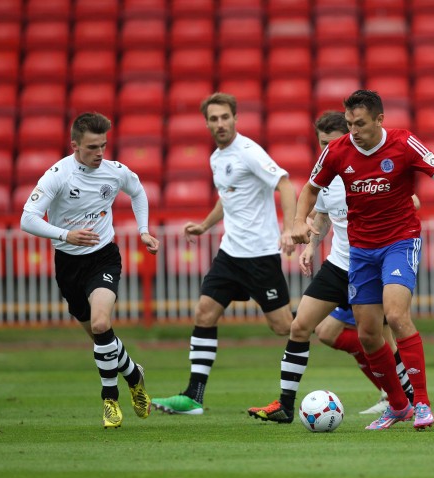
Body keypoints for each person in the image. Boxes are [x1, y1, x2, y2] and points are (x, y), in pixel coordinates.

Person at [292, 90, 434, 431]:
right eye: (349, 124)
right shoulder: (337, 151)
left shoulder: (405, 144)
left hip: (399, 241)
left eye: (360, 123)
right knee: (367, 335)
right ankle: (397, 406)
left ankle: (421, 403)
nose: (354, 130)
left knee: (395, 315)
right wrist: (297, 224)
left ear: (380, 120)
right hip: (360, 251)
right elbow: (309, 189)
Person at [247, 111, 414, 423]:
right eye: (321, 143)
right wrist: (311, 246)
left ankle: (408, 398)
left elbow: (409, 199)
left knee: (377, 338)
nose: (327, 149)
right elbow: (322, 215)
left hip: (372, 264)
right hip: (339, 264)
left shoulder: (368, 170)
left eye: (331, 142)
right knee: (301, 326)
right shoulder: (325, 173)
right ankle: (285, 405)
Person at [151, 92, 297, 415]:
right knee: (204, 312)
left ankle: (326, 318)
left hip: (260, 255)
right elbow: (227, 197)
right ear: (206, 123)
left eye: (225, 117)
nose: (220, 124)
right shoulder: (216, 158)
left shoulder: (248, 152)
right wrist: (205, 225)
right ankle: (193, 397)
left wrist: (288, 229)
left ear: (235, 118)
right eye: (214, 119)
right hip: (230, 255)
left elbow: (285, 184)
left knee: (283, 326)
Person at [20, 112, 160, 429]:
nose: (99, 154)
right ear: (75, 146)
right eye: (92, 147)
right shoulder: (57, 175)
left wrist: (143, 231)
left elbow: (137, 191)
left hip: (103, 257)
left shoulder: (114, 172)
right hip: (68, 264)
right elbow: (27, 219)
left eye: (103, 146)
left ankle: (110, 401)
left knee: (100, 323)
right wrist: (64, 235)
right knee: (101, 338)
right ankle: (134, 375)